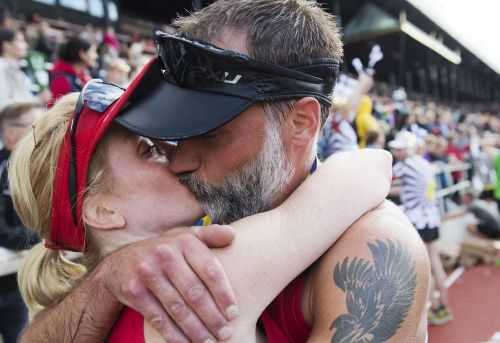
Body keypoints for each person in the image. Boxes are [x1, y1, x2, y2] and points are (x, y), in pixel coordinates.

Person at [19, 1, 430, 342]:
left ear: (301, 123)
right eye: (165, 137)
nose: (179, 160)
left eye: (210, 131)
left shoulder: (370, 246)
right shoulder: (192, 253)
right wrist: (109, 275)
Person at [12, 83, 392, 343]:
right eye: (148, 150)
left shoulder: (106, 311)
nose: (177, 157)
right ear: (102, 209)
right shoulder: (195, 281)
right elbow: (370, 167)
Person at [389, 131, 452, 326]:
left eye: (399, 149)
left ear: (407, 149)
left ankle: (432, 308)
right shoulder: (425, 164)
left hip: (417, 222)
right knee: (435, 261)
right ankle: (444, 304)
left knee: (425, 267)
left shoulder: (405, 165)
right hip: (432, 219)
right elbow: (417, 188)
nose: (396, 152)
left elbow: (386, 179)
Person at [0, 101, 42, 343]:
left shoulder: (31, 166)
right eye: (35, 126)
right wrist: (40, 237)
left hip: (16, 279)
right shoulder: (5, 167)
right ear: (12, 133)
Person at [0, 28, 45, 110]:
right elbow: (4, 105)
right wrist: (37, 100)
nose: (26, 45)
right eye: (20, 41)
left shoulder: (18, 71)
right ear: (6, 45)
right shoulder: (2, 68)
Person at [48, 36, 97, 105]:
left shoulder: (84, 77)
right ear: (82, 54)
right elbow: (56, 111)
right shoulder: (61, 80)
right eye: (93, 51)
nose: (96, 56)